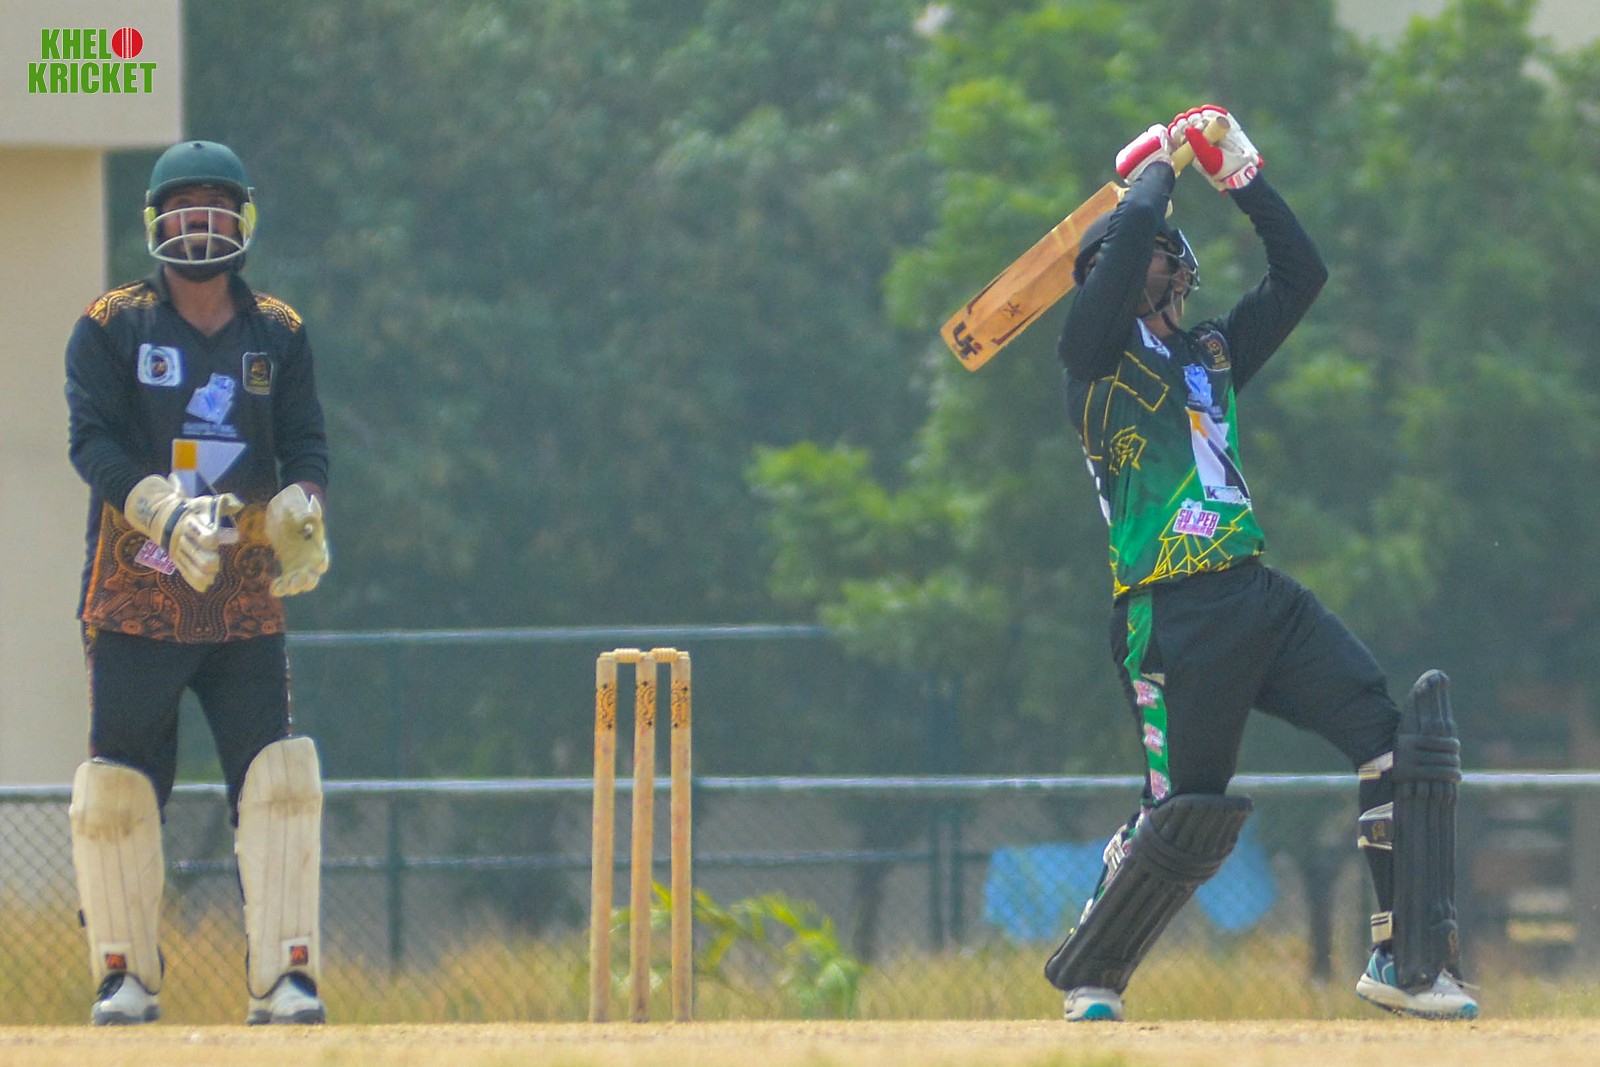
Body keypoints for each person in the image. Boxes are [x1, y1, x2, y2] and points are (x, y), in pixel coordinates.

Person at [1042, 105, 1477, 1022]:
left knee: (1389, 738)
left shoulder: (1213, 352)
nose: (1166, 264)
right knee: (1184, 813)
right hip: (1169, 614)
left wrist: (1239, 175)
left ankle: (1405, 964)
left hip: (1255, 595)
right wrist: (1158, 168)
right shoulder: (1092, 363)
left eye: (1165, 253)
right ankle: (1094, 972)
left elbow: (1301, 273)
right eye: (1151, 252)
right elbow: (1122, 249)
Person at [64, 139, 332, 1026]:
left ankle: (285, 974)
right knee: (120, 784)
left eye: (216, 204)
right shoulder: (111, 324)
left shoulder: (279, 332)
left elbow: (307, 446)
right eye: (183, 206)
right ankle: (125, 976)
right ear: (156, 222)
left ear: (243, 218)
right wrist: (161, 512)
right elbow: (93, 443)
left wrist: (302, 506)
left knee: (277, 775)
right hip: (136, 593)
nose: (200, 221)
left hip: (244, 596)